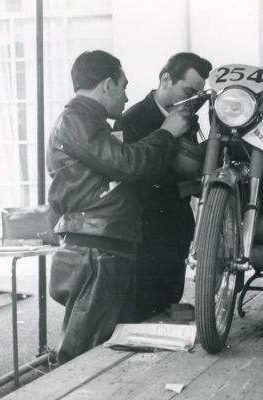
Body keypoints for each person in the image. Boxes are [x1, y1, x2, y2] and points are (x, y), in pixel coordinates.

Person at [47, 50, 191, 363]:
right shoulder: (78, 119)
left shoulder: (88, 121)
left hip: (104, 242)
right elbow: (126, 163)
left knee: (103, 348)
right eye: (123, 87)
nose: (126, 98)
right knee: (84, 353)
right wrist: (166, 133)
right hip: (99, 245)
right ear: (108, 85)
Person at [117, 52, 212, 321]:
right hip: (146, 232)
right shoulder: (131, 120)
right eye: (188, 92)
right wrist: (187, 185)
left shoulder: (188, 119)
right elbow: (138, 178)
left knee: (170, 306)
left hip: (177, 228)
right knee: (145, 310)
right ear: (166, 79)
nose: (194, 103)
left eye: (199, 97)